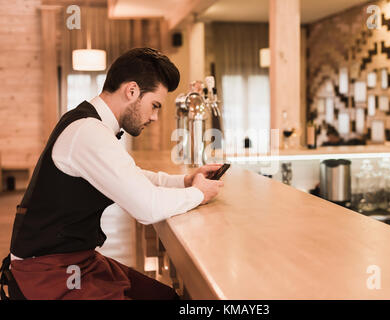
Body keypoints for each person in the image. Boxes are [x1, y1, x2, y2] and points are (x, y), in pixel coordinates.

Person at [0, 47, 224, 300]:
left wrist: (184, 181)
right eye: (155, 105)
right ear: (131, 91)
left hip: (76, 260)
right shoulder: (88, 132)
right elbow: (146, 208)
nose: (155, 117)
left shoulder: (91, 125)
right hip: (46, 271)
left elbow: (131, 176)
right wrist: (198, 194)